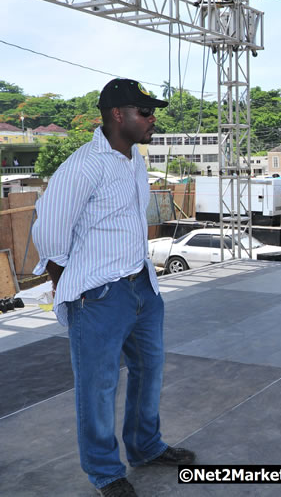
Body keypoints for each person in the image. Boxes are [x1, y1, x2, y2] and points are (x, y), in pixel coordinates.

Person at [32, 79, 195, 497]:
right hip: (100, 296)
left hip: (143, 285)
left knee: (149, 372)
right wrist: (76, 289)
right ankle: (105, 471)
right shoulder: (83, 165)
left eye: (151, 111)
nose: (152, 118)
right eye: (144, 112)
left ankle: (145, 446)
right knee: (98, 386)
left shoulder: (133, 158)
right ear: (117, 115)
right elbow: (49, 233)